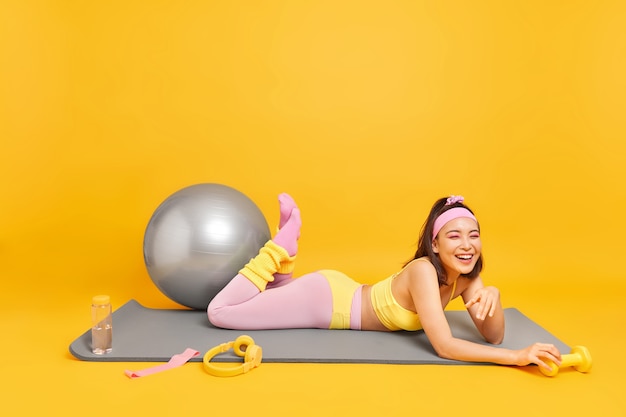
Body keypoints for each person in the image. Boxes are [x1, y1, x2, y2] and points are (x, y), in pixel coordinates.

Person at [207, 193, 562, 371]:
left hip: (338, 292)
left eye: (474, 235)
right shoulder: (424, 271)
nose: (467, 244)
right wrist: (516, 357)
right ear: (435, 244)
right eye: (454, 236)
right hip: (327, 303)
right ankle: (277, 249)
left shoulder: (468, 277)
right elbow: (446, 346)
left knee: (271, 301)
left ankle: (285, 264)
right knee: (220, 313)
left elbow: (493, 335)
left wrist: (492, 293)